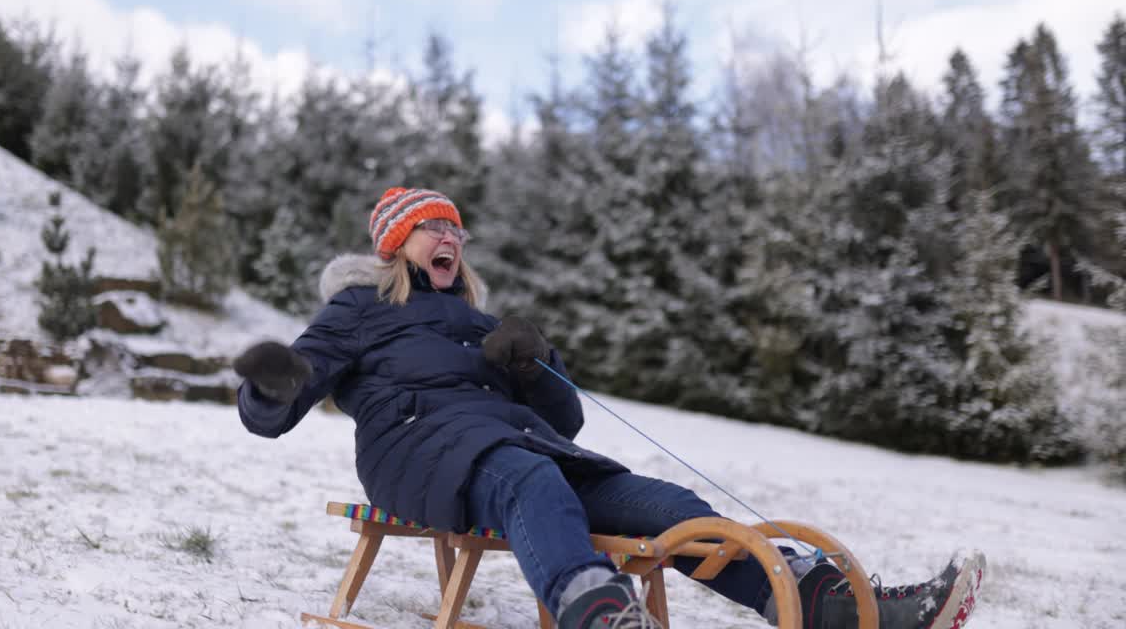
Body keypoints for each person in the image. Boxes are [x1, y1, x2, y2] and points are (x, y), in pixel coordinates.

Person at [234, 187, 984, 629]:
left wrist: (536, 367)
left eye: (458, 229)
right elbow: (286, 400)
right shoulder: (360, 308)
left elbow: (565, 424)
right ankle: (594, 611)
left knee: (664, 502)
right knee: (527, 478)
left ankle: (834, 605)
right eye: (436, 227)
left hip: (526, 452)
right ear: (399, 242)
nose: (452, 238)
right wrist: (270, 386)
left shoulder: (481, 321)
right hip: (420, 456)